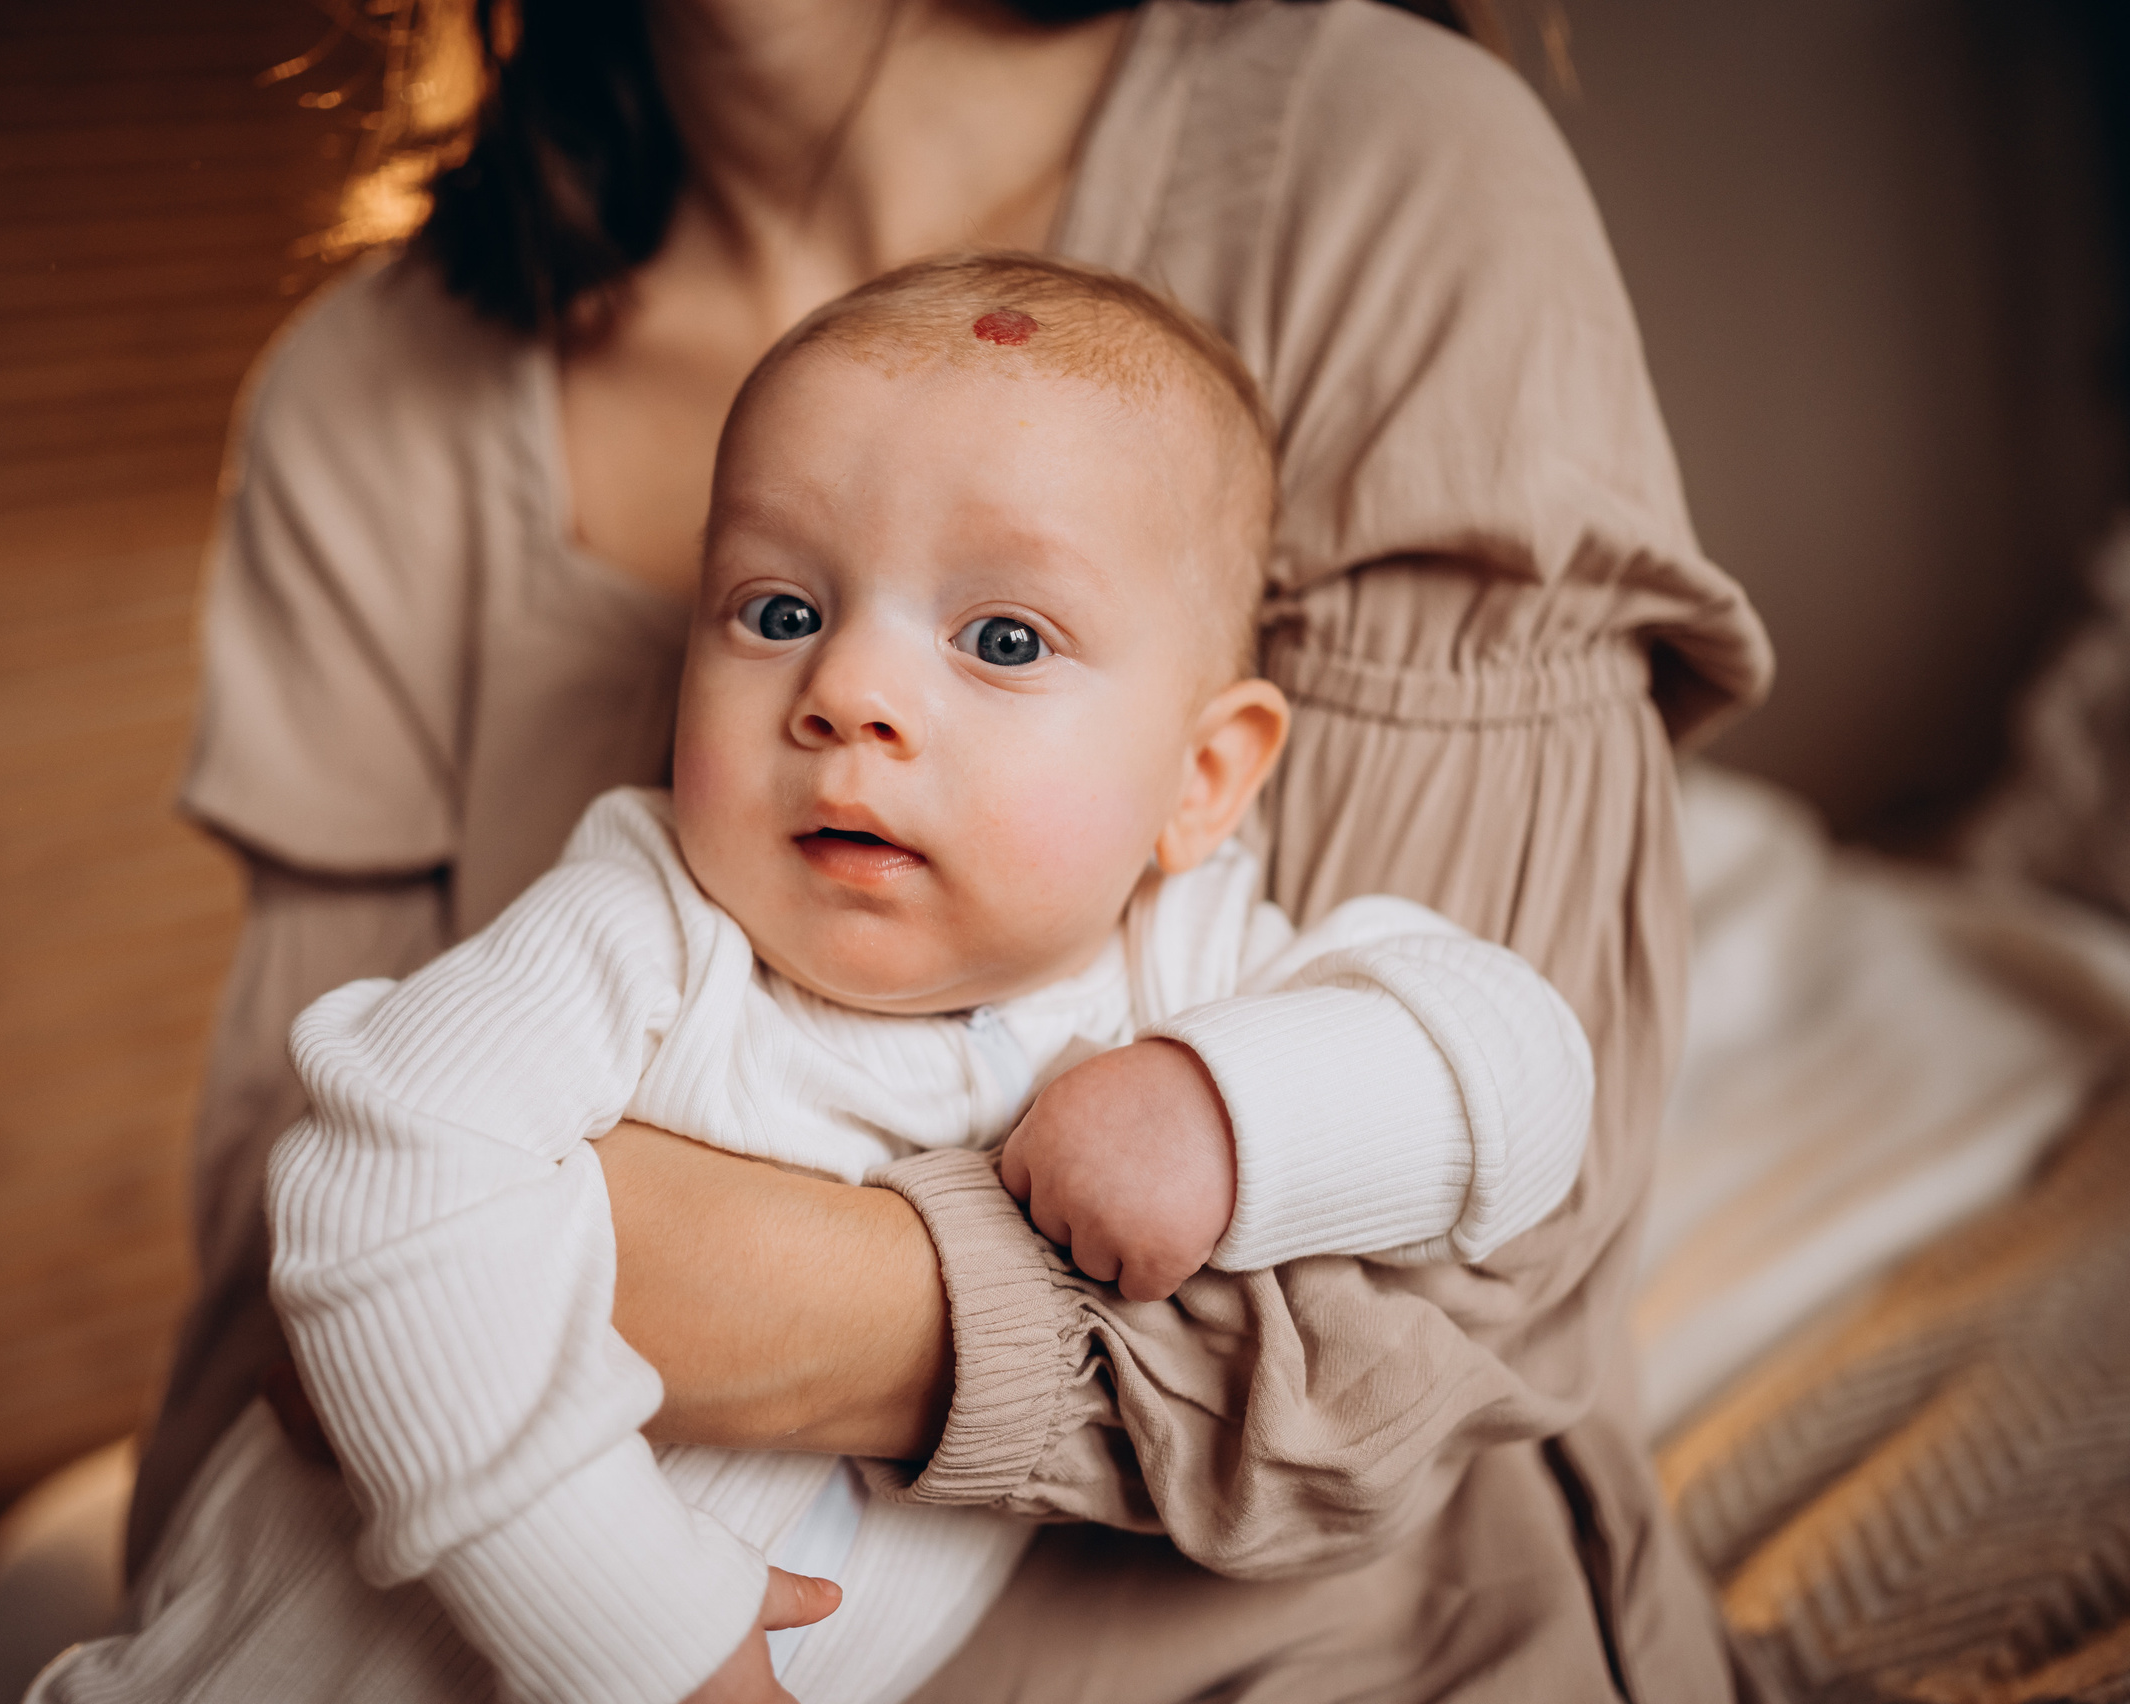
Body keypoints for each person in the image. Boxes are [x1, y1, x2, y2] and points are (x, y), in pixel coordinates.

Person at [117, 2, 1775, 1699]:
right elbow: (334, 1222)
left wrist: (1229, 1116)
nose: (848, 695)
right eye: (775, 613)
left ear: (1209, 779)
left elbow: (1517, 1095)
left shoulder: (1188, 954)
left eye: (1000, 642)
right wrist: (651, 1637)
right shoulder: (646, 915)